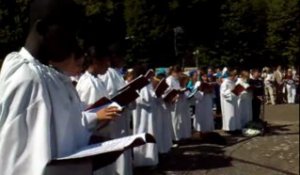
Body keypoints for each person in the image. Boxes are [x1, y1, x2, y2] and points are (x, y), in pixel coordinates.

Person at [0, 1, 119, 175]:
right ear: (42, 29)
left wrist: (91, 141)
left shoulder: (50, 75)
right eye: (67, 33)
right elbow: (18, 163)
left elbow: (61, 133)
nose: (72, 42)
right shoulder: (27, 77)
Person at [98, 41, 133, 175]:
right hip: (114, 120)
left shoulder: (117, 74)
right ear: (115, 58)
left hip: (121, 117)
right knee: (117, 153)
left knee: (123, 151)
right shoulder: (108, 74)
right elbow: (108, 96)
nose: (124, 61)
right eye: (122, 57)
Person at [132, 65, 159, 167]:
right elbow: (145, 99)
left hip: (148, 114)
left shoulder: (145, 83)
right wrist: (153, 92)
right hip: (143, 114)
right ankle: (144, 161)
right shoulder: (141, 83)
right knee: (143, 134)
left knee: (148, 133)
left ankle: (149, 160)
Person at [166, 65, 184, 142]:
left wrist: (181, 90)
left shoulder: (176, 80)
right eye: (179, 73)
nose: (179, 75)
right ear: (174, 72)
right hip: (173, 102)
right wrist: (174, 96)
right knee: (173, 120)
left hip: (178, 101)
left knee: (177, 120)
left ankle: (177, 136)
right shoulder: (169, 79)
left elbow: (177, 89)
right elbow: (168, 90)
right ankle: (174, 138)